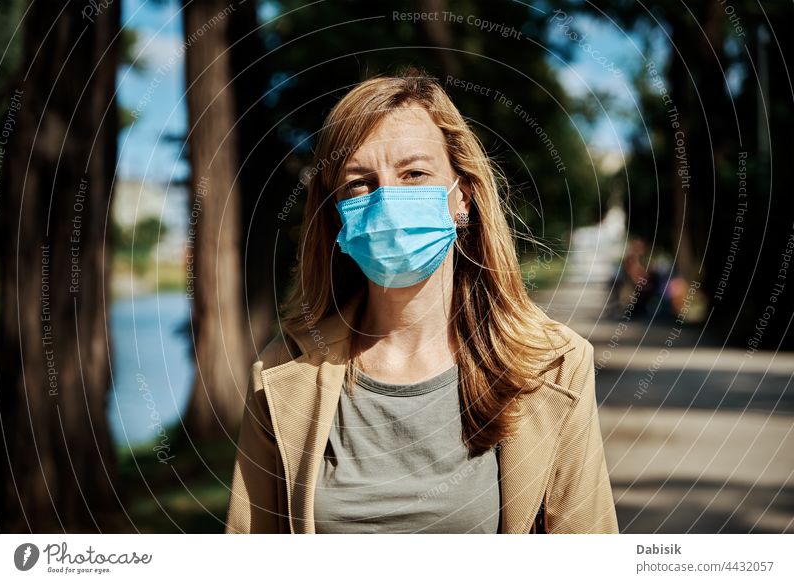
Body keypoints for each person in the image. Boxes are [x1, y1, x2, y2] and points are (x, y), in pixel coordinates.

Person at [224, 70, 618, 534]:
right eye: (359, 183)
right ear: (337, 216)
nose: (388, 199)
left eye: (414, 174)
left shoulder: (553, 366)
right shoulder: (280, 373)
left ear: (463, 197)